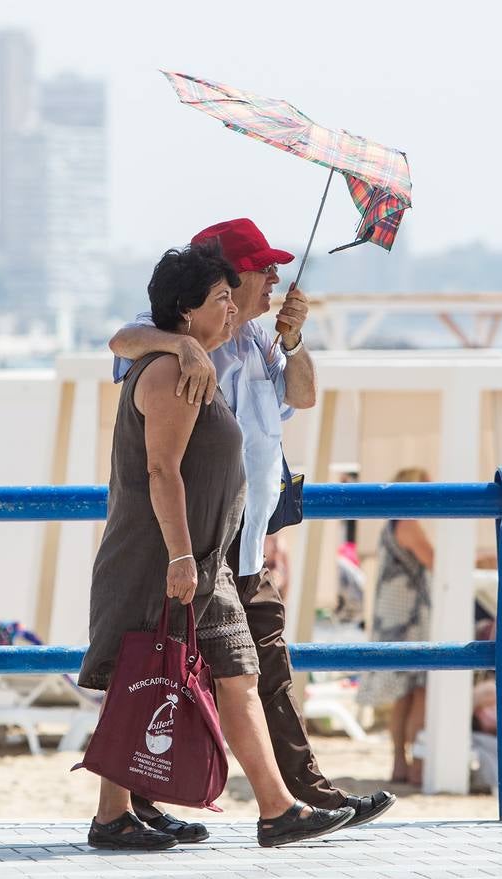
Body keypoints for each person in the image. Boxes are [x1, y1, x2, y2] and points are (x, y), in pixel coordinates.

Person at [110, 219, 395, 838]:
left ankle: (290, 798)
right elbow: (120, 340)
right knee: (183, 666)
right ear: (225, 282)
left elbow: (304, 398)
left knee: (239, 665)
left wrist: (292, 341)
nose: (275, 279)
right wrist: (181, 345)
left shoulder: (259, 342)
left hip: (245, 533)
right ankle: (263, 803)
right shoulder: (174, 336)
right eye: (262, 269)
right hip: (200, 538)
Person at [357, 467, 433, 786]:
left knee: (403, 696)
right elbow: (435, 560)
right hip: (409, 617)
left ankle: (399, 763)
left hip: (392, 614)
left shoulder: (390, 525)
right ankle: (416, 763)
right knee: (420, 691)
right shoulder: (409, 524)